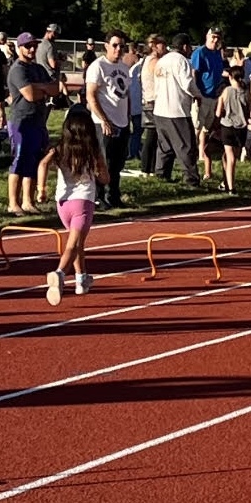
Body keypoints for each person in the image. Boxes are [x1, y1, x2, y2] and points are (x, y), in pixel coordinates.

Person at [37, 111, 109, 305]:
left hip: (63, 203)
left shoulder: (59, 149)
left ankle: (81, 278)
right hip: (83, 202)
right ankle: (60, 273)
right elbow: (105, 178)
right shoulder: (93, 151)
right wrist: (99, 172)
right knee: (72, 244)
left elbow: (43, 164)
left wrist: (41, 189)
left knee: (78, 244)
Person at [6, 33, 61, 215]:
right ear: (20, 47)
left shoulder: (38, 69)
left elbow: (55, 89)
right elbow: (29, 95)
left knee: (34, 160)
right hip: (21, 121)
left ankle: (28, 201)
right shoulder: (17, 69)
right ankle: (13, 202)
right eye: (27, 46)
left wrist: (41, 88)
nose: (31, 49)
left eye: (33, 46)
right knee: (19, 160)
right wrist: (42, 89)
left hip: (38, 120)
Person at [85, 31, 131, 209]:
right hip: (103, 123)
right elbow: (91, 95)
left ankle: (114, 195)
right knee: (103, 161)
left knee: (117, 163)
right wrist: (104, 120)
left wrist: (127, 118)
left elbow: (126, 95)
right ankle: (98, 196)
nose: (119, 49)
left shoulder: (124, 68)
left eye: (122, 46)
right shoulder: (98, 67)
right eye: (115, 45)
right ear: (106, 46)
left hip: (122, 122)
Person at [153, 34, 200, 186]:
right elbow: (187, 83)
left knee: (164, 146)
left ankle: (161, 175)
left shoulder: (162, 61)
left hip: (160, 109)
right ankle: (191, 179)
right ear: (185, 47)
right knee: (186, 146)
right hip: (177, 110)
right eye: (190, 47)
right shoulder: (181, 61)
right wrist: (197, 95)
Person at [191, 27, 226, 173]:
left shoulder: (217, 54)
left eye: (217, 37)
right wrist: (195, 93)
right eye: (213, 36)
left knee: (207, 129)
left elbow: (218, 73)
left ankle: (201, 155)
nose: (215, 40)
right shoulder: (200, 52)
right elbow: (194, 72)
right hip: (202, 95)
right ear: (207, 36)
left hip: (214, 96)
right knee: (196, 127)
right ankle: (190, 156)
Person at [215, 66, 251, 195]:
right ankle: (225, 182)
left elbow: (219, 112)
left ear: (231, 77)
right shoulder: (246, 91)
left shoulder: (226, 91)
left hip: (228, 126)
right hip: (241, 127)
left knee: (230, 158)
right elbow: (250, 110)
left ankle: (231, 186)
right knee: (230, 156)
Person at [139, 34, 167, 175]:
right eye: (163, 44)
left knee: (153, 136)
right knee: (151, 137)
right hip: (152, 102)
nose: (165, 47)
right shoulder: (154, 61)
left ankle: (149, 168)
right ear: (156, 45)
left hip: (150, 101)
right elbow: (162, 75)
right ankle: (146, 168)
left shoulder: (147, 59)